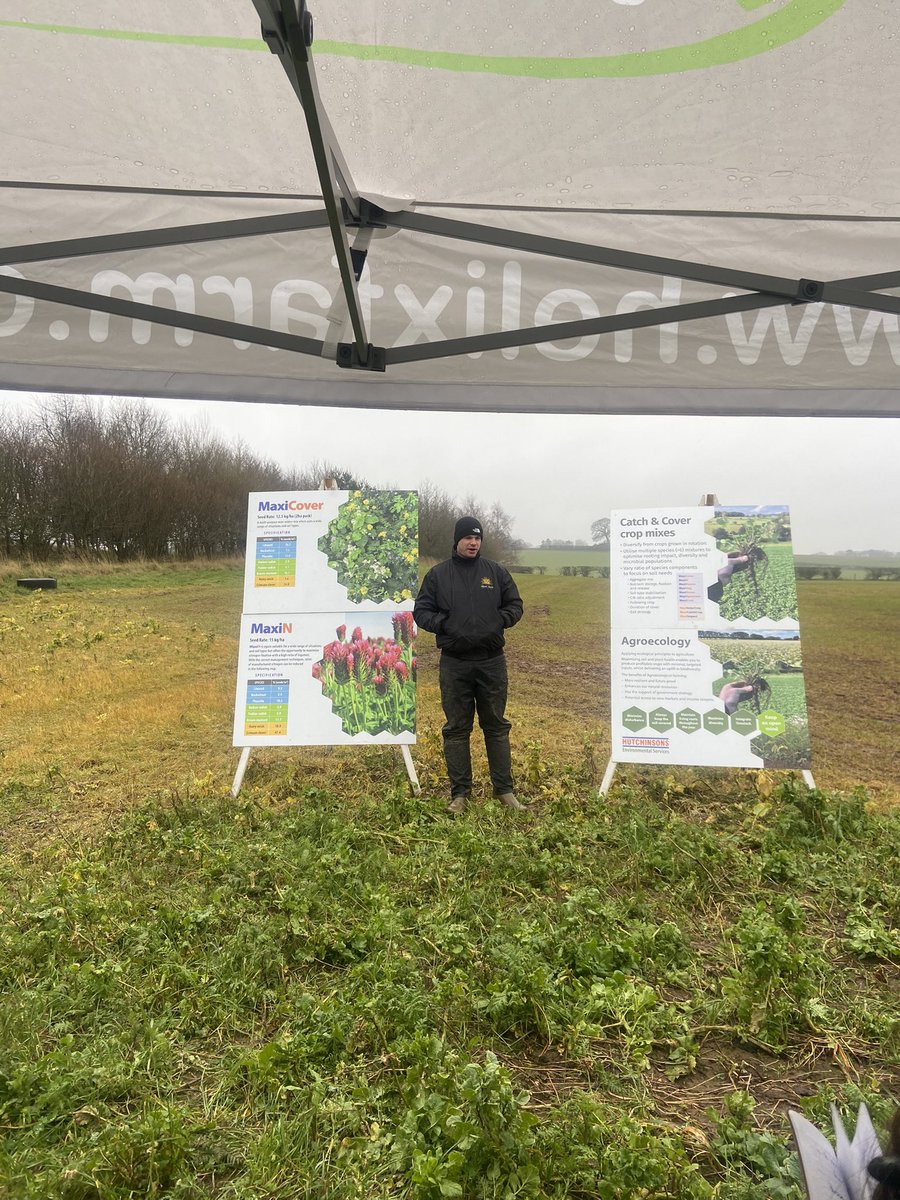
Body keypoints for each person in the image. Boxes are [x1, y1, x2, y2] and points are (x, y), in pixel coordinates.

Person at [414, 516, 525, 815]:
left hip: (491, 663)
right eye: (468, 538)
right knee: (456, 729)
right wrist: (444, 624)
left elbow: (515, 605)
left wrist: (497, 621)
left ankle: (504, 791)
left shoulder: (495, 572)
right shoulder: (438, 575)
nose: (473, 543)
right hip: (455, 664)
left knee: (497, 727)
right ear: (457, 540)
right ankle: (460, 795)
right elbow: (421, 611)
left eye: (477, 538)